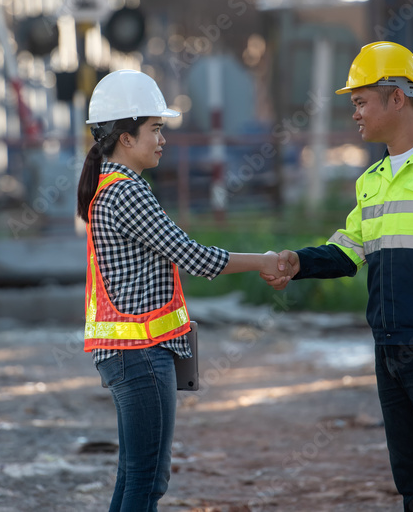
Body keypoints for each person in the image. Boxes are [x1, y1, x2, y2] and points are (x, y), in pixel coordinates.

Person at [262, 42, 413, 511]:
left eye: (360, 101)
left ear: (396, 97)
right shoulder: (371, 180)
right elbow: (348, 250)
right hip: (390, 349)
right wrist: (298, 262)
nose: (354, 113)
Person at [78, 69, 294, 512]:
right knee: (147, 481)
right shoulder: (128, 194)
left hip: (129, 354)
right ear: (125, 138)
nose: (163, 140)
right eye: (155, 129)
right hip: (141, 355)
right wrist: (263, 261)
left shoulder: (111, 188)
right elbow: (195, 257)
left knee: (133, 477)